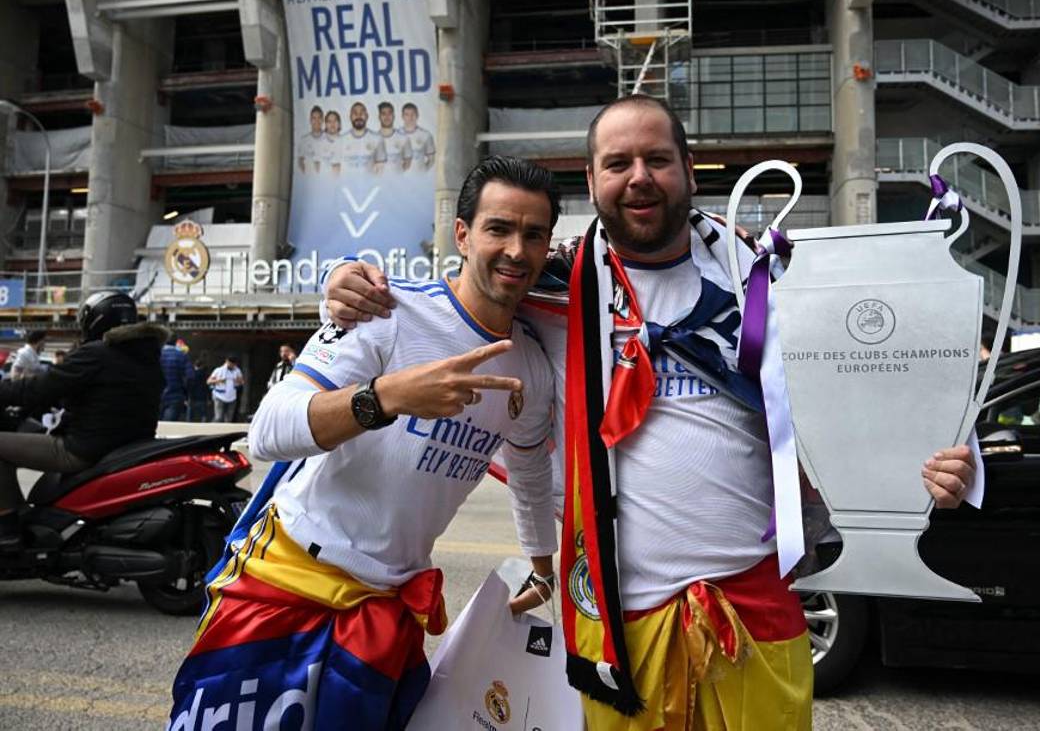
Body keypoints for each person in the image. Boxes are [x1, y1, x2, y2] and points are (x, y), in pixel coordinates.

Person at [324, 94, 977, 730]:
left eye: (657, 159)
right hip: (618, 620)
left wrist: (943, 457)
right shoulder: (554, 284)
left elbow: (869, 378)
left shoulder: (762, 275)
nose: (639, 177)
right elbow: (458, 295)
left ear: (690, 171)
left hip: (755, 609)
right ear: (593, 180)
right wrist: (349, 283)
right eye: (617, 162)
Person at [167, 156, 561, 729]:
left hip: (389, 607)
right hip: (285, 584)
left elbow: (527, 472)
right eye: (498, 228)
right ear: (463, 234)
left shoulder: (532, 367)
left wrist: (543, 566)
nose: (516, 252)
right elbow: (269, 430)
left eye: (533, 234)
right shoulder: (386, 308)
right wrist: (385, 397)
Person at [0, 291, 164, 549]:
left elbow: (40, 387)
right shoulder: (145, 356)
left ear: (95, 320)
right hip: (125, 444)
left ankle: (6, 526)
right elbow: (100, 394)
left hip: (84, 449)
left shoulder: (97, 353)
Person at [339, 101, 386, 174]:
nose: (359, 116)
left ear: (367, 116)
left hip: (370, 184)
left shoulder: (377, 139)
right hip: (347, 184)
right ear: (350, 117)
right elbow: (336, 170)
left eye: (362, 113)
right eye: (355, 113)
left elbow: (381, 170)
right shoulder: (341, 140)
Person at [159, 333, 191, 421]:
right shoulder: (182, 356)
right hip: (175, 396)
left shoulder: (155, 354)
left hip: (156, 395)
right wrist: (186, 394)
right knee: (168, 426)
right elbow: (190, 376)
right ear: (176, 341)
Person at [373, 100, 408, 174]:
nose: (387, 117)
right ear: (379, 117)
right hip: (379, 183)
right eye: (383, 114)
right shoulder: (373, 139)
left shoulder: (403, 138)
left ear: (394, 116)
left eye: (389, 113)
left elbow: (408, 163)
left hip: (398, 183)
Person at [207, 356, 243, 422]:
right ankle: (213, 428)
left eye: (234, 364)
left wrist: (238, 381)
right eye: (231, 364)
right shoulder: (218, 370)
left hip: (232, 397)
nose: (232, 365)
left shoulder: (237, 371)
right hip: (219, 396)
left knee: (229, 418)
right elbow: (209, 381)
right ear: (227, 362)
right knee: (219, 417)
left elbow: (242, 382)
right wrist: (219, 381)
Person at [400, 102, 435, 172]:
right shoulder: (396, 135)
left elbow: (431, 159)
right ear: (402, 116)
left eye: (413, 114)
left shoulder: (426, 135)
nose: (410, 118)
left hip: (419, 179)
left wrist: (422, 171)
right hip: (400, 180)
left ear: (417, 115)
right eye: (407, 115)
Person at [297, 104, 326, 174]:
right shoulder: (304, 140)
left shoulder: (329, 138)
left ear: (323, 120)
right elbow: (300, 161)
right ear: (310, 120)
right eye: (314, 118)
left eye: (319, 118)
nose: (317, 121)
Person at [186, 358, 210, 423]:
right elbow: (208, 387)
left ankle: (189, 426)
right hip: (202, 397)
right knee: (204, 414)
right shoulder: (206, 375)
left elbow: (187, 387)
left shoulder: (190, 375)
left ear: (194, 365)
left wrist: (186, 398)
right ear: (202, 366)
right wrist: (209, 398)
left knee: (190, 415)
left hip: (192, 397)